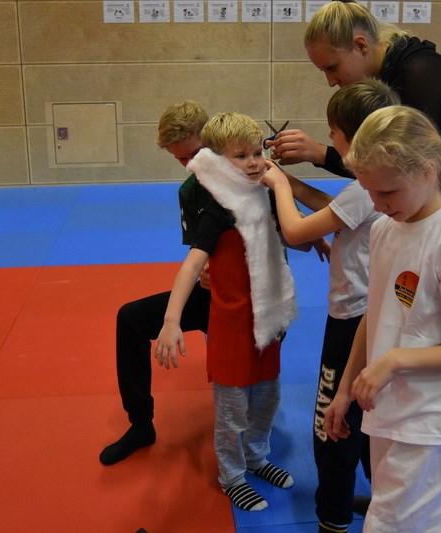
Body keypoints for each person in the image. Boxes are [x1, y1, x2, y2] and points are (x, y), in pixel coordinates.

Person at [269, 0, 441, 504]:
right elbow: (380, 180)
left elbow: (395, 165)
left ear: (360, 44)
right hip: (416, 209)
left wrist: (394, 359)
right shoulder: (384, 212)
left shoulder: (421, 75)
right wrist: (355, 382)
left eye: (332, 66)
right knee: (405, 311)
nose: (330, 81)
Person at [324, 105, 441, 532]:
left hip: (431, 423)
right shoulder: (385, 228)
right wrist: (344, 390)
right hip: (389, 410)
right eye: (369, 192)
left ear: (427, 171)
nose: (377, 205)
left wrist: (396, 360)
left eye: (388, 192)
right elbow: (376, 313)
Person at [262, 79, 399, 533]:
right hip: (377, 314)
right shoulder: (374, 184)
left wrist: (277, 184)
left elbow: (297, 231)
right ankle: (383, 499)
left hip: (354, 318)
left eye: (333, 132)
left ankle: (333, 518)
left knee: (332, 421)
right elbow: (336, 209)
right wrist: (291, 183)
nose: (329, 139)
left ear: (350, 137)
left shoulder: (364, 189)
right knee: (368, 411)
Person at [155, 112, 297, 512]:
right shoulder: (216, 211)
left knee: (266, 399)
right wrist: (171, 320)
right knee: (233, 410)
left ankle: (256, 457)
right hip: (232, 329)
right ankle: (232, 476)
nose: (253, 163)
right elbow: (191, 266)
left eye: (257, 153)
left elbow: (288, 233)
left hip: (268, 323)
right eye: (241, 156)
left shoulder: (267, 196)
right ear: (218, 162)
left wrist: (314, 243)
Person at [99, 101, 212, 466]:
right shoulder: (191, 190)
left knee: (240, 386)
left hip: (254, 297)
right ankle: (140, 424)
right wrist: (173, 317)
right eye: (181, 159)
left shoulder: (247, 172)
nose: (190, 164)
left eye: (194, 154)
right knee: (130, 318)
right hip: (212, 293)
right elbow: (198, 254)